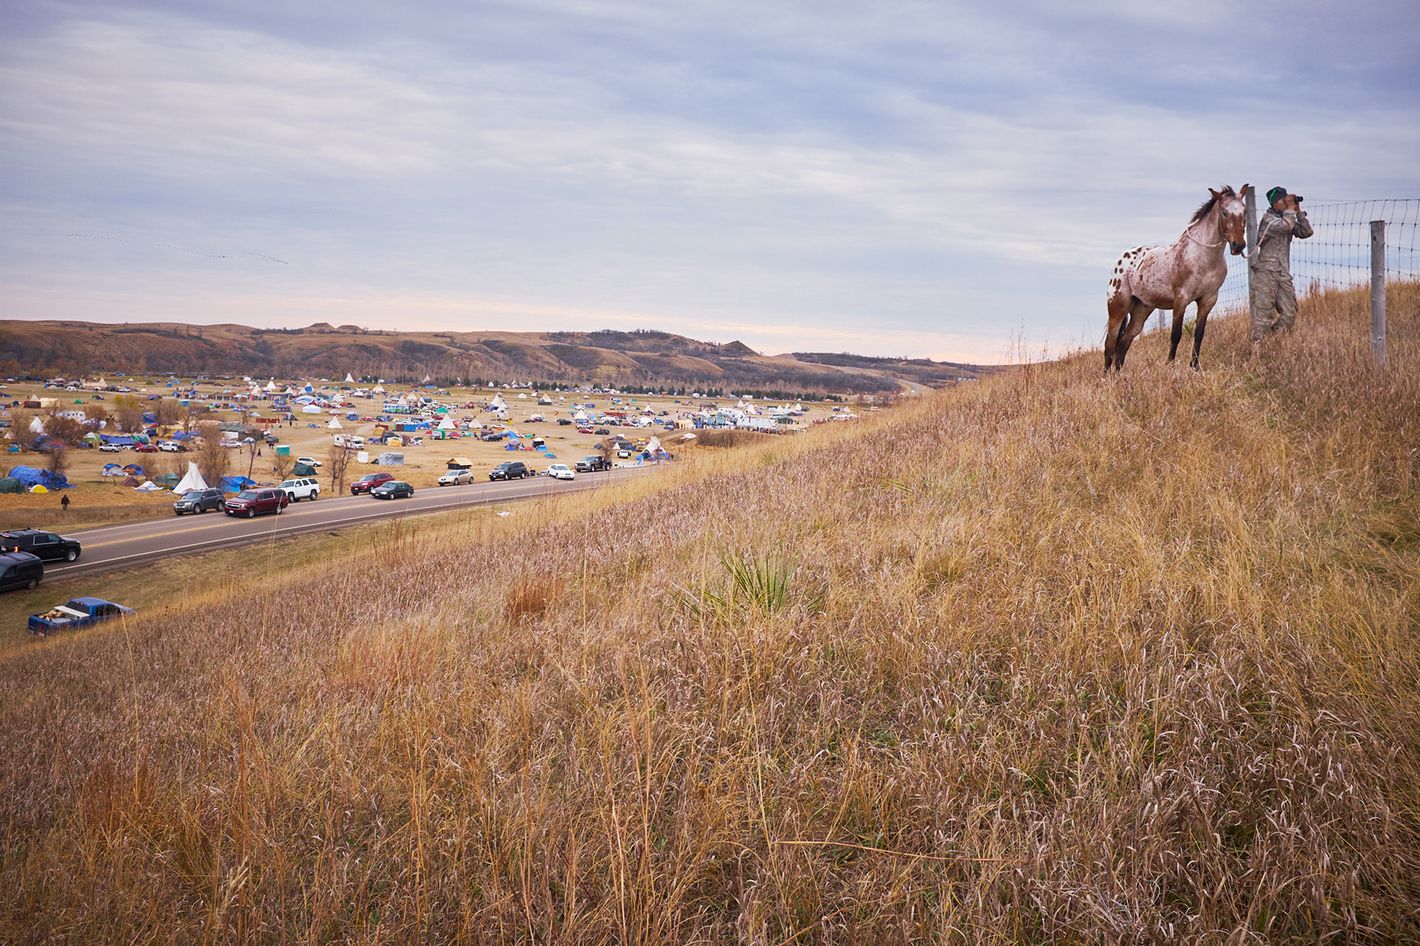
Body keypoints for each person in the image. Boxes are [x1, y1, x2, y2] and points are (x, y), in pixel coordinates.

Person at [1250, 185, 1314, 341]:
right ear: (1275, 203)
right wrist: (1291, 210)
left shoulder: (1287, 217)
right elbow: (1286, 226)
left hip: (1283, 274)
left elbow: (1306, 232)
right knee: (1264, 316)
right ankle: (1257, 352)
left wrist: (1298, 211)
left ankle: (1271, 341)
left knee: (1290, 312)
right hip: (1266, 273)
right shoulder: (1269, 220)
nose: (1287, 204)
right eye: (1284, 201)